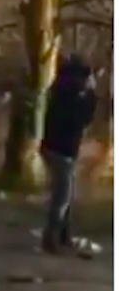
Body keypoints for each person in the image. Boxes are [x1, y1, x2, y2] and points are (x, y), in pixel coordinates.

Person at [39, 53, 98, 254]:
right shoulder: (75, 95)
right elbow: (83, 120)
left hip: (53, 147)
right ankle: (51, 238)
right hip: (62, 150)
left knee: (65, 194)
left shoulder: (59, 90)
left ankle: (62, 236)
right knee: (62, 197)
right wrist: (91, 96)